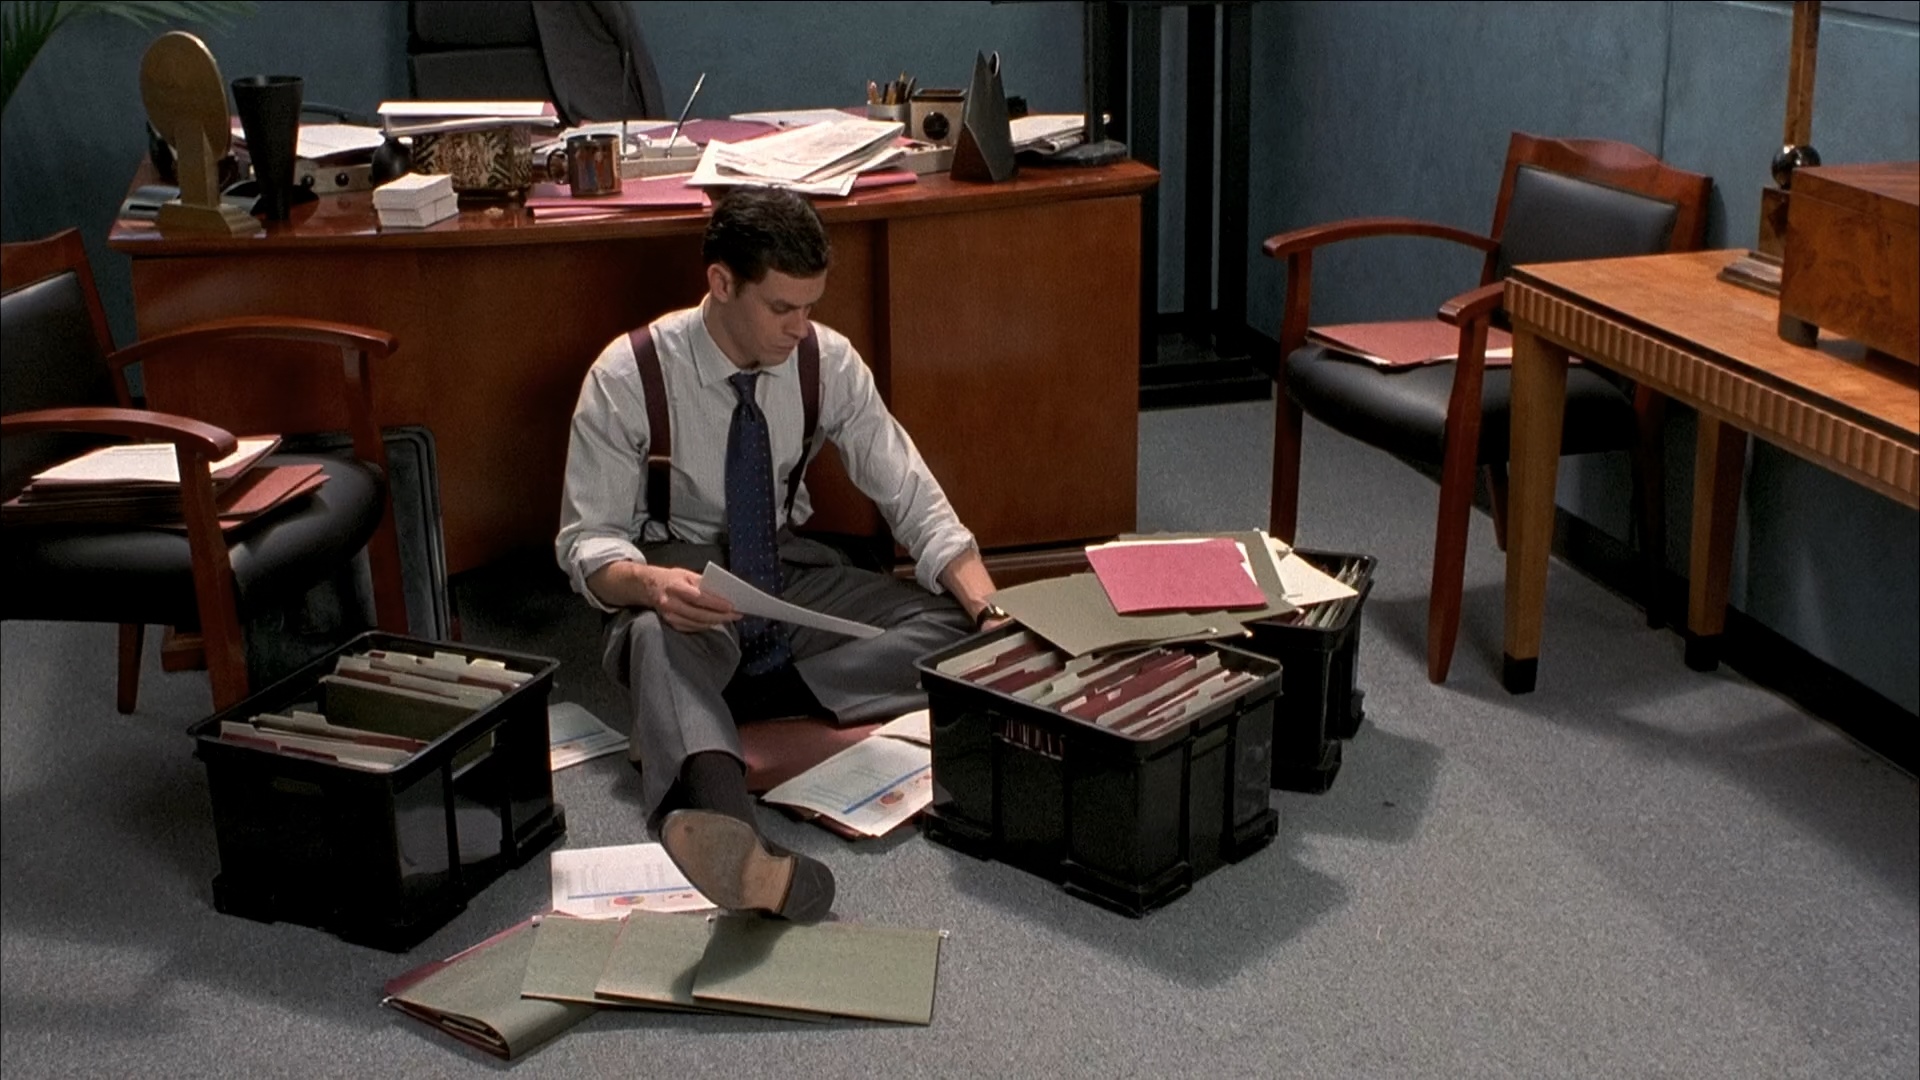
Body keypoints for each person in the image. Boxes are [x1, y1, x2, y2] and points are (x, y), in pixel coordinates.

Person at [555, 187, 1003, 923]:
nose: (801, 327)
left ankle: (714, 714)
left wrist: (989, 611)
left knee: (956, 630)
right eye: (781, 308)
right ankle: (735, 834)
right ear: (721, 283)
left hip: (785, 569)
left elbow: (911, 495)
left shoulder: (826, 360)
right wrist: (652, 584)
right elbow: (587, 542)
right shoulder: (628, 375)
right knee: (654, 640)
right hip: (683, 575)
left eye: (811, 307)